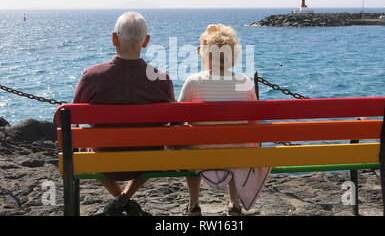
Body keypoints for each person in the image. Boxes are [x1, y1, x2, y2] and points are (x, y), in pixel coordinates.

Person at [73, 12, 175, 216]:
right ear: (146, 41)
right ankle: (126, 199)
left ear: (114, 39)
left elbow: (75, 118)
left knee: (82, 143)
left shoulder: (91, 76)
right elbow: (174, 123)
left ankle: (120, 200)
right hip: (147, 162)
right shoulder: (162, 79)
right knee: (159, 143)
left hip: (102, 161)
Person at [178, 24, 271, 216]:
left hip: (198, 156)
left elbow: (177, 118)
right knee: (239, 144)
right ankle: (233, 204)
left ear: (205, 54)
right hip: (236, 155)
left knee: (187, 143)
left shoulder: (194, 82)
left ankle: (194, 204)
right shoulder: (244, 82)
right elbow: (254, 123)